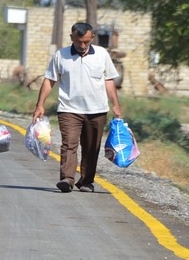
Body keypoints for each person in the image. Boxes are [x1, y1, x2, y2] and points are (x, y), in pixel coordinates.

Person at [33, 22, 122, 193]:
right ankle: (67, 178)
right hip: (69, 109)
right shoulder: (61, 55)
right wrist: (40, 105)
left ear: (92, 38)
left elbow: (109, 81)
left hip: (97, 110)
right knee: (69, 144)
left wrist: (115, 105)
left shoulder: (102, 54)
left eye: (86, 42)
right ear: (71, 37)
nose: (82, 46)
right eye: (78, 42)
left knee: (91, 147)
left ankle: (86, 181)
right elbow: (49, 80)